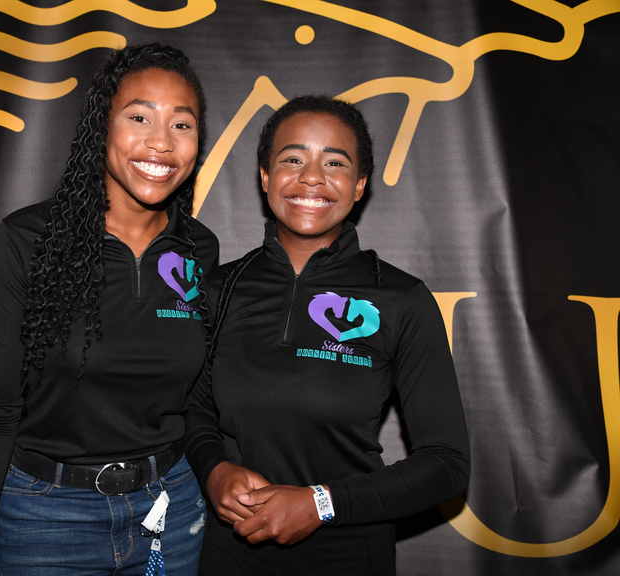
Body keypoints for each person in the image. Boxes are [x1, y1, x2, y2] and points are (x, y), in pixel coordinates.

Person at [0, 44, 218, 576]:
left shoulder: (199, 249)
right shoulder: (28, 241)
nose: (161, 141)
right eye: (139, 117)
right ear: (101, 128)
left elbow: (200, 402)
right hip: (46, 517)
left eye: (182, 125)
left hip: (169, 511)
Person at [185, 96, 470, 575]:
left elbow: (446, 463)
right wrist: (214, 468)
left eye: (334, 163)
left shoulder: (401, 298)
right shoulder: (218, 288)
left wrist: (321, 503)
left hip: (350, 554)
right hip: (227, 552)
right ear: (265, 177)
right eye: (292, 159)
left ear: (359, 185)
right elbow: (193, 411)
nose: (312, 177)